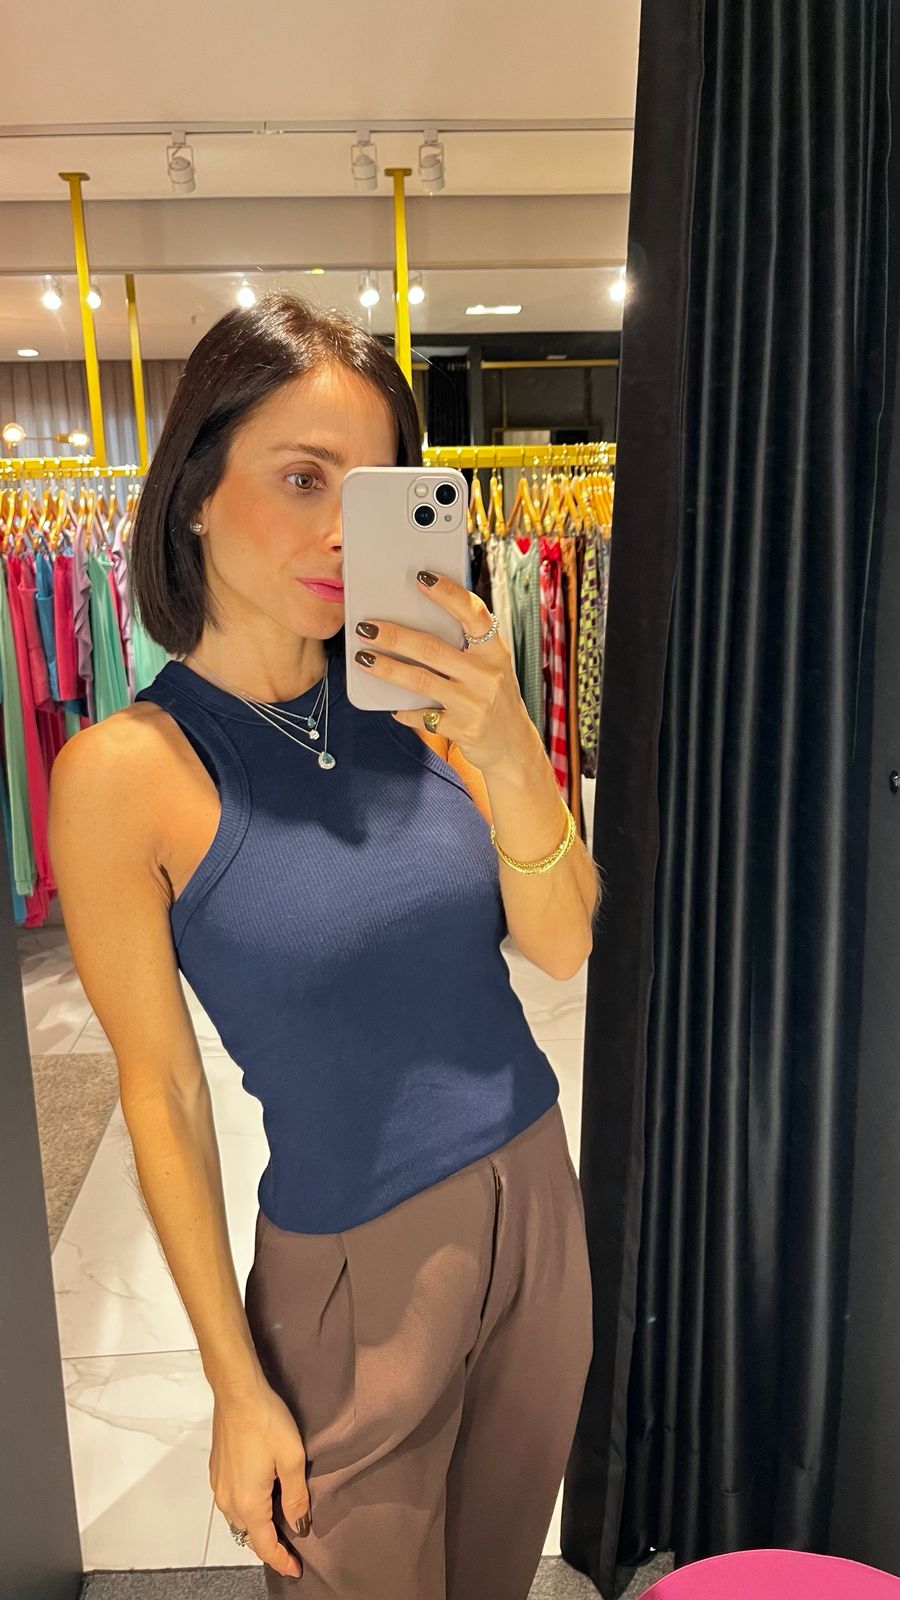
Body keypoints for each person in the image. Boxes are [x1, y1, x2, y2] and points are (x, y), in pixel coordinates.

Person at [48, 293, 599, 1599]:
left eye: (373, 490)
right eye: (303, 478)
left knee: (493, 1574)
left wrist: (510, 748)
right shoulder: (128, 771)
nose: (342, 531)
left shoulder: (422, 700)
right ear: (194, 493)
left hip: (538, 1204)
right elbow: (162, 1095)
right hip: (356, 1265)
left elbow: (563, 943)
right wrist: (235, 1384)